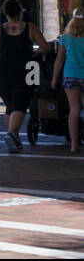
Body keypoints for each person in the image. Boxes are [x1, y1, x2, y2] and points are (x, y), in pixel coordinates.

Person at [0, 0, 53, 153]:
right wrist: (35, 51)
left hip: (2, 71)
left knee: (10, 105)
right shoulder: (30, 28)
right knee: (20, 103)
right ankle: (11, 134)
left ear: (5, 12)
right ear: (21, 11)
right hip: (25, 70)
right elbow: (46, 47)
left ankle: (15, 139)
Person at [52, 8, 84, 154]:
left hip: (70, 75)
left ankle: (74, 145)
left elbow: (59, 59)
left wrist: (54, 78)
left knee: (74, 109)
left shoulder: (66, 38)